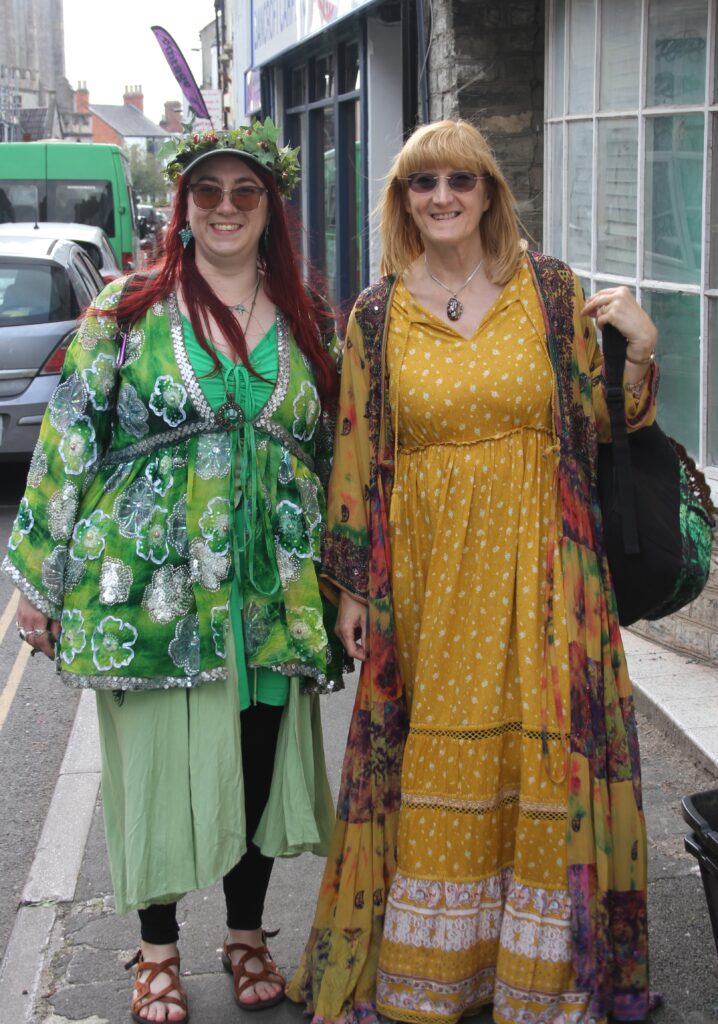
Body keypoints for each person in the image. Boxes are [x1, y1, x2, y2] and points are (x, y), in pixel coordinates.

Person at [288, 119, 659, 1024]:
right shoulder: (376, 314)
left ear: (489, 191)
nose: (442, 197)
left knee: (545, 751)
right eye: (423, 184)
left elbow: (609, 423)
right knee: (438, 759)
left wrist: (642, 350)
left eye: (461, 180)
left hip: (547, 565)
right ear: (403, 200)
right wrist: (350, 590)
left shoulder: (553, 289)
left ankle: (540, 979)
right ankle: (436, 975)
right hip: (428, 577)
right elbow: (354, 453)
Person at [4, 120, 347, 1023]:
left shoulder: (312, 323)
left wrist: (350, 581)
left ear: (271, 207)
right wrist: (37, 580)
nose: (226, 208)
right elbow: (67, 441)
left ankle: (244, 935)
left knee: (257, 761)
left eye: (245, 193)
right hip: (150, 596)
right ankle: (156, 950)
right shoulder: (123, 311)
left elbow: (342, 459)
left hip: (270, 596)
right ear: (185, 208)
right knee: (155, 766)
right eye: (208, 193)